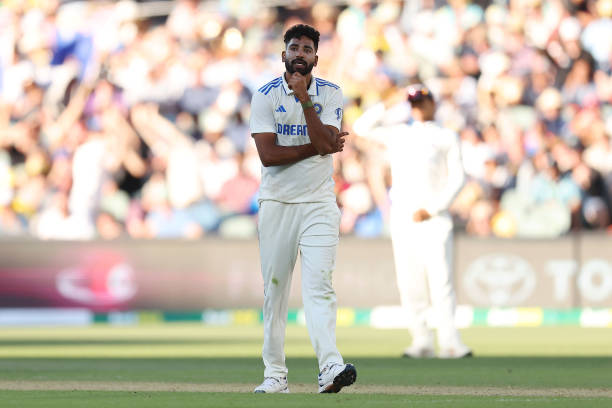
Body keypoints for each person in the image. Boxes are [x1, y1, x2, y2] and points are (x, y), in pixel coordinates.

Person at [249, 24, 357, 394]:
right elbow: (269, 156)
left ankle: (330, 367)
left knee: (320, 288)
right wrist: (319, 146)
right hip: (277, 203)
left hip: (318, 204)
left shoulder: (330, 93)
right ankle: (275, 375)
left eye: (307, 49)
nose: (299, 53)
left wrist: (305, 99)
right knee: (275, 293)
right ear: (283, 54)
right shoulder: (263, 96)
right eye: (293, 47)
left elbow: (327, 140)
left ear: (315, 57)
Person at [353, 84, 472, 359]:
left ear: (432, 104)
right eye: (413, 103)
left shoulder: (445, 136)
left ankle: (451, 342)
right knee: (410, 282)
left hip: (434, 218)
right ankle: (421, 341)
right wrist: (388, 103)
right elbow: (361, 127)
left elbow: (457, 178)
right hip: (404, 217)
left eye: (421, 101)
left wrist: (433, 208)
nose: (417, 107)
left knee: (441, 282)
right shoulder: (399, 134)